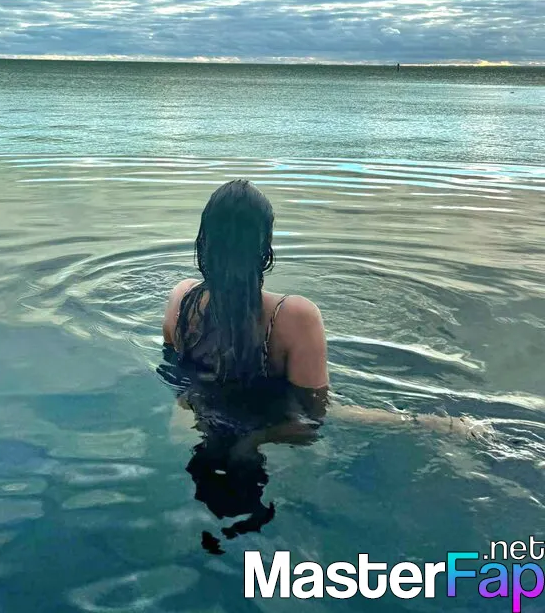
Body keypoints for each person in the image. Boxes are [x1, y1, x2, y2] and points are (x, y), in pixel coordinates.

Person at [161, 180, 489, 548]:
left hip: (201, 419)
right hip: (267, 426)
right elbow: (314, 417)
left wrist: (190, 411)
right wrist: (256, 439)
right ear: (264, 249)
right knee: (359, 417)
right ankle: (436, 425)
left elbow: (176, 374)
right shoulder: (293, 317)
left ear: (204, 240)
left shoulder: (181, 300)